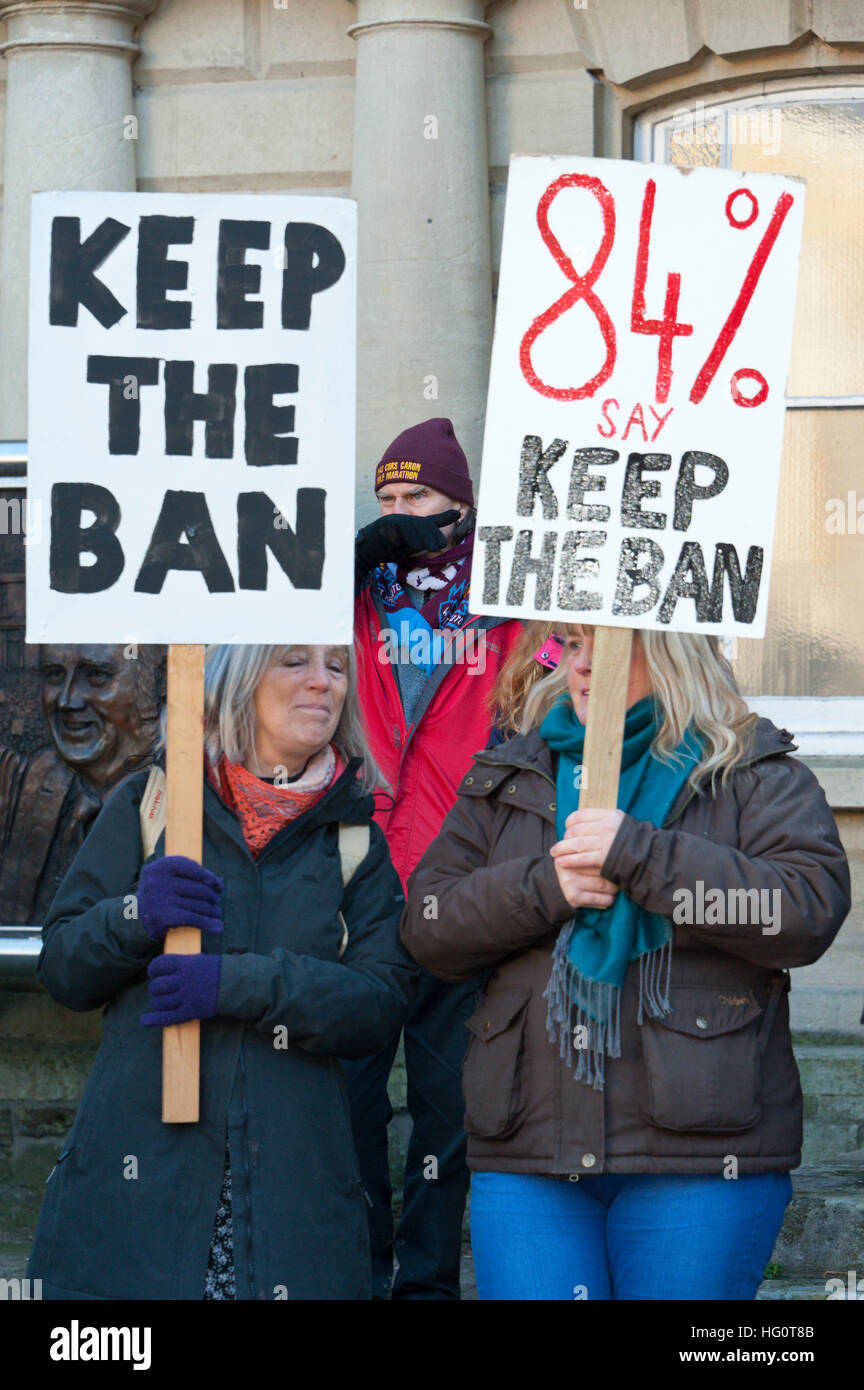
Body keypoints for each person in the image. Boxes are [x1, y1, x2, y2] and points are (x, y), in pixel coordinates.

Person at [401, 625, 851, 1301]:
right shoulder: (512, 771)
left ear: (673, 652)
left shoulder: (752, 771)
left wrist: (641, 856)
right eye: (570, 646)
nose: (582, 667)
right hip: (531, 1154)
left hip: (700, 1158)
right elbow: (429, 928)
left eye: (607, 647)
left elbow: (803, 911)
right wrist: (545, 888)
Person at [27, 643, 416, 1301]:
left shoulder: (355, 841)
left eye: (337, 667)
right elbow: (63, 968)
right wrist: (134, 913)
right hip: (139, 1210)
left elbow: (380, 1003)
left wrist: (237, 984)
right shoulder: (151, 805)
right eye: (295, 662)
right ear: (240, 677)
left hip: (292, 1216)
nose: (323, 683)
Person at [347, 416, 522, 1299]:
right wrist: (356, 551)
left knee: (448, 1120)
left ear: (463, 507)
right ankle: (359, 1273)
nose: (401, 513)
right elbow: (261, 614)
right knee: (348, 1104)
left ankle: (423, 1289)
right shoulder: (355, 594)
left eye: (417, 496)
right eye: (386, 499)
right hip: (360, 886)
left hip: (466, 881)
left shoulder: (509, 602)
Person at [0, 644, 165, 924]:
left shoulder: (198, 797)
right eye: (54, 675)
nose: (66, 700)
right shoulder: (21, 781)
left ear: (155, 685)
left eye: (97, 676)